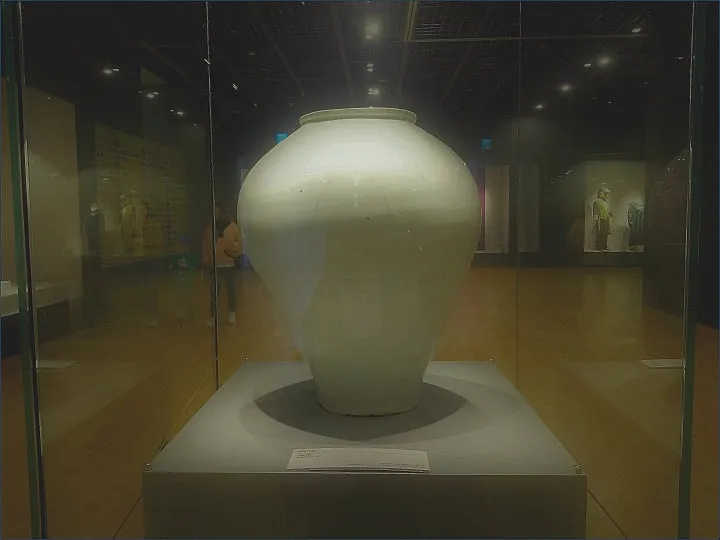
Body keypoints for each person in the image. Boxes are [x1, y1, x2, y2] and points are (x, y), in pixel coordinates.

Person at [202, 204, 242, 326]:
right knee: (214, 293)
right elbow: (205, 245)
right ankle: (213, 316)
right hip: (215, 265)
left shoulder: (233, 227)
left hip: (229, 264)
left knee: (231, 290)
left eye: (219, 211)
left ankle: (232, 313)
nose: (217, 213)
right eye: (215, 211)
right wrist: (206, 261)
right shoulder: (210, 228)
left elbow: (238, 245)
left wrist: (229, 249)